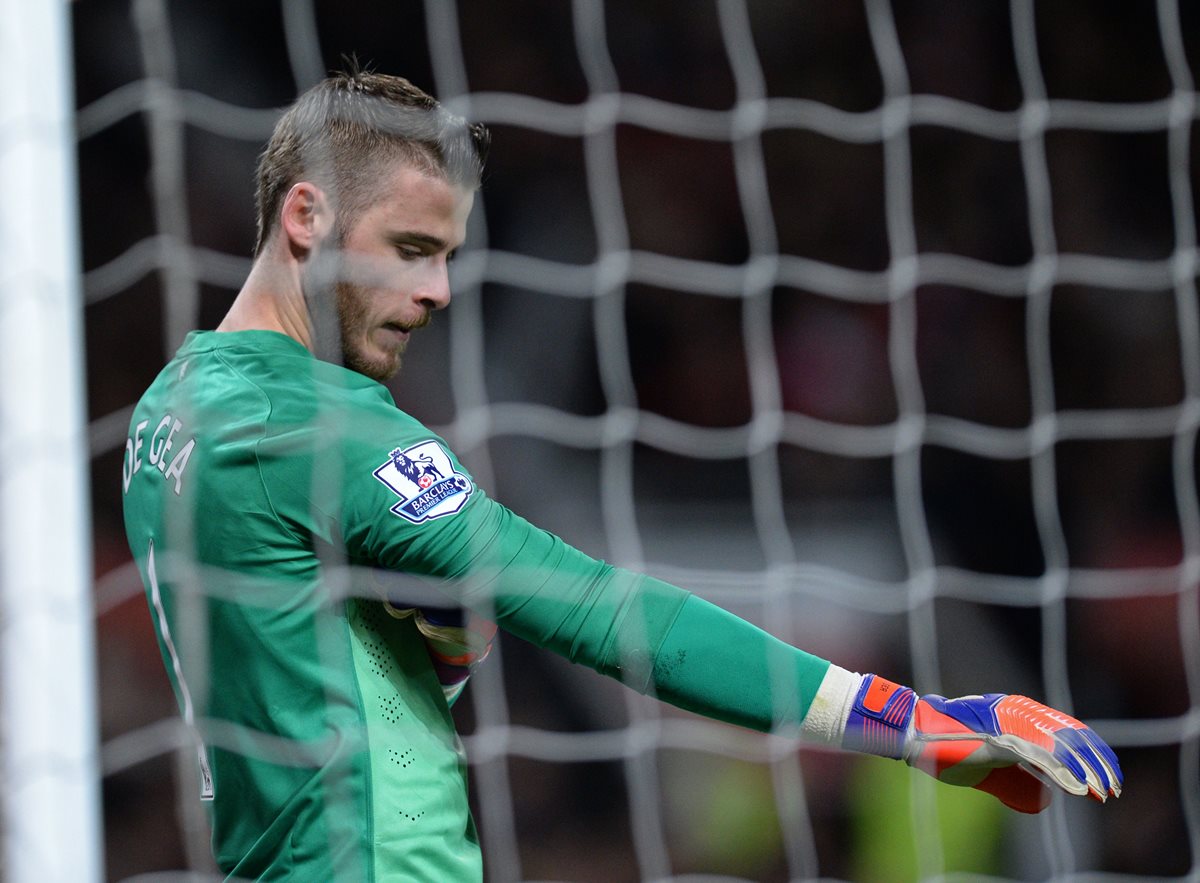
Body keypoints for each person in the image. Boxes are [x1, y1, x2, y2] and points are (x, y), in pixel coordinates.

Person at [121, 67, 1122, 881]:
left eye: (449, 256)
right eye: (413, 250)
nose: (437, 291)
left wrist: (446, 634)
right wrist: (920, 726)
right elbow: (597, 607)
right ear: (307, 216)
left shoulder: (168, 410)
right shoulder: (326, 426)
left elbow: (336, 646)